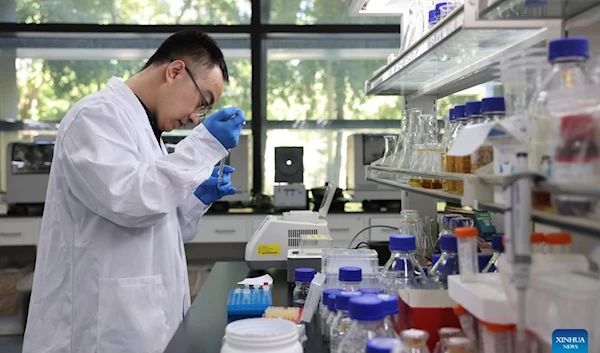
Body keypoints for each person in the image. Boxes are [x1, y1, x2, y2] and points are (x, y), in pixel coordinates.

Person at [22, 29, 246, 353]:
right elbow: (131, 201)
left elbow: (158, 229)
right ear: (175, 71)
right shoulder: (95, 116)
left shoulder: (147, 131)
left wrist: (195, 200)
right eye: (203, 102)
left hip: (142, 321)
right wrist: (203, 145)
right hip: (99, 327)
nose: (196, 117)